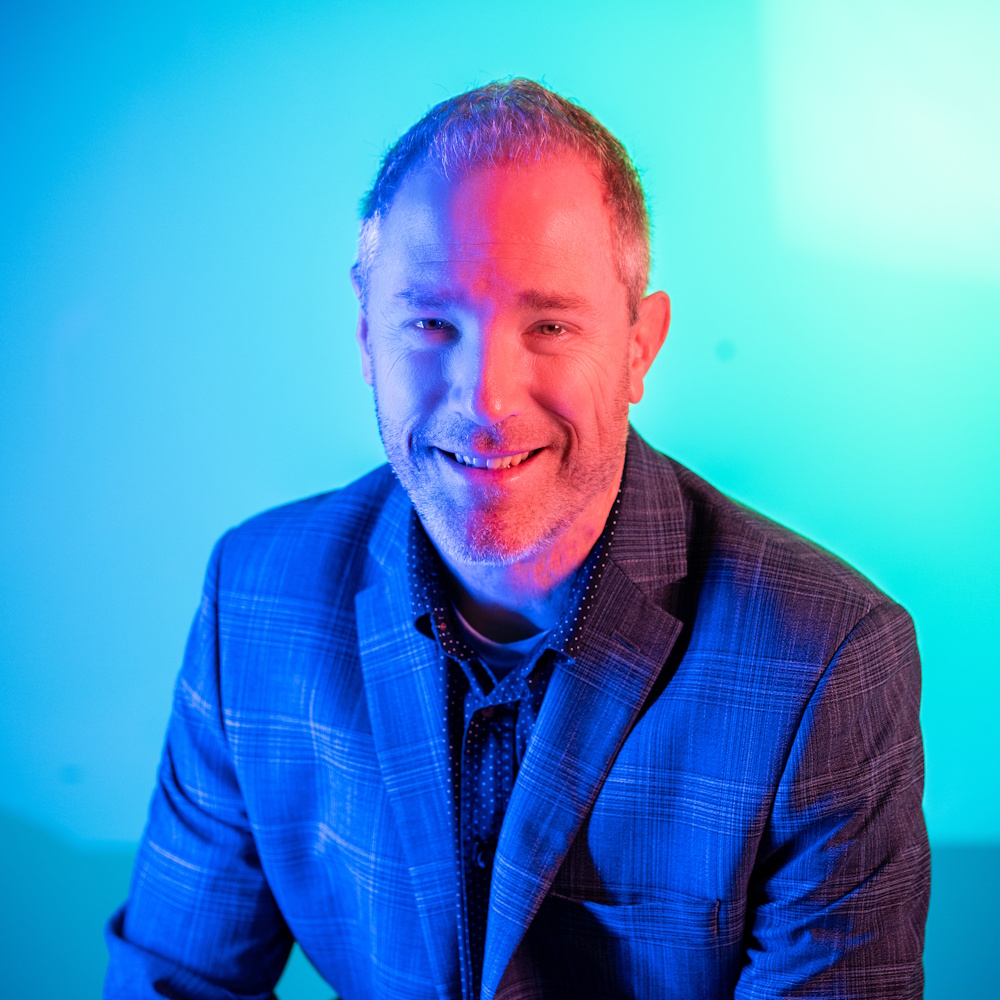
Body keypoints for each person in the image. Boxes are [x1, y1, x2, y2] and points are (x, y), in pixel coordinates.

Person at [104, 79, 929, 999]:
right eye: (429, 322)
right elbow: (175, 983)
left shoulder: (825, 657)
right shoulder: (253, 601)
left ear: (639, 346)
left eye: (550, 324)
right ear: (364, 326)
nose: (486, 399)